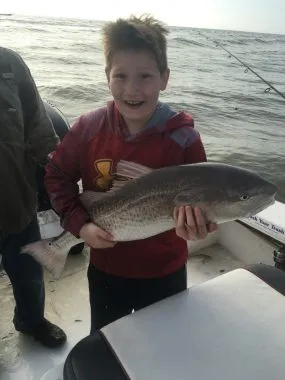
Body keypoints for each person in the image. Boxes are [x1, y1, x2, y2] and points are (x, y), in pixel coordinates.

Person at [44, 15, 217, 334]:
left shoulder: (184, 140)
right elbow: (56, 175)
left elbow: (203, 205)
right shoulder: (87, 129)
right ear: (106, 76)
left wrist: (198, 228)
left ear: (165, 78)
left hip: (166, 270)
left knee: (162, 344)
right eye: (120, 76)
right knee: (108, 342)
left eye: (145, 76)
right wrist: (80, 227)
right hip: (107, 269)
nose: (132, 89)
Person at [0, 47, 67, 347]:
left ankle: (31, 321)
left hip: (17, 200)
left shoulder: (10, 63)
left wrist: (64, 183)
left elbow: (40, 128)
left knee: (29, 274)